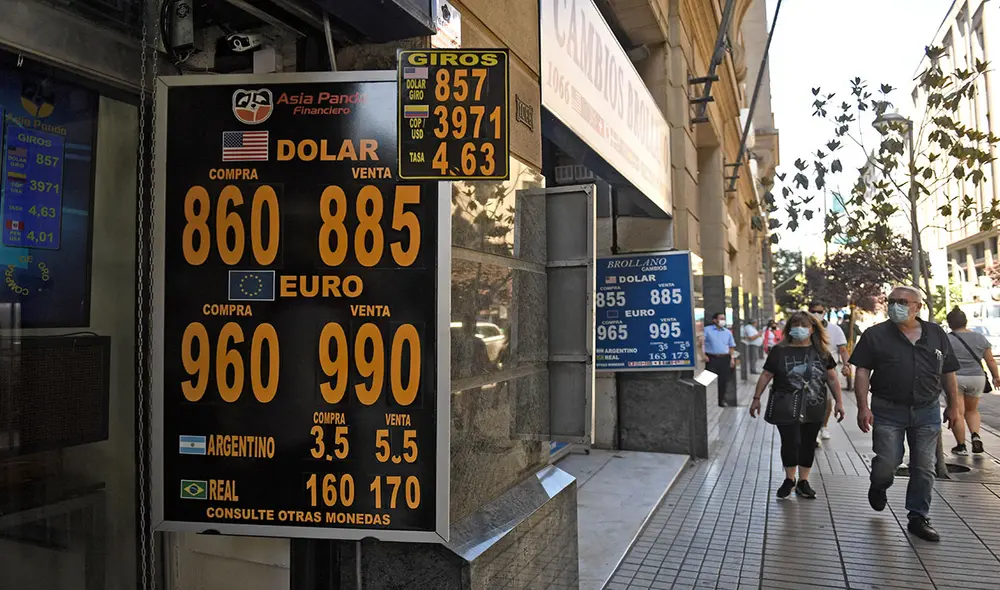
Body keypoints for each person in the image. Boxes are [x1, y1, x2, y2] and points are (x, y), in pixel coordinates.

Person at [851, 286, 960, 543]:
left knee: (924, 466)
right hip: (888, 409)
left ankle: (918, 516)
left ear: (918, 307)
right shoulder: (874, 335)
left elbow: (948, 372)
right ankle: (879, 485)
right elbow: (862, 372)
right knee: (888, 461)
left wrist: (955, 406)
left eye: (902, 301)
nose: (895, 306)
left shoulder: (936, 334)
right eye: (891, 301)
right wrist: (862, 407)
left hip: (927, 409)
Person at [750, 311, 845, 499]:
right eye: (795, 326)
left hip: (815, 405)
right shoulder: (779, 350)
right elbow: (766, 375)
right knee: (791, 442)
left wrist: (839, 402)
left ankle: (803, 481)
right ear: (789, 328)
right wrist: (756, 398)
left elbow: (832, 379)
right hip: (786, 404)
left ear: (812, 330)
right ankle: (789, 479)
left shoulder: (822, 352)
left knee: (808, 443)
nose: (799, 329)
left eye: (804, 326)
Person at [944, 307, 1000, 455]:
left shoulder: (946, 339)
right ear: (965, 322)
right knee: (972, 410)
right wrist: (996, 377)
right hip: (977, 378)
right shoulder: (980, 338)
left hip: (954, 378)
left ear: (949, 323)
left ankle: (961, 446)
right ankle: (975, 435)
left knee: (958, 412)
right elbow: (990, 360)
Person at [809, 301, 850, 441]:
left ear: (824, 312)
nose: (816, 314)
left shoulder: (835, 330)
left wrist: (847, 365)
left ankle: (824, 426)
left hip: (828, 368)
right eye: (813, 311)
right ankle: (811, 428)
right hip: (807, 369)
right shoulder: (805, 327)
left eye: (819, 312)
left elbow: (843, 349)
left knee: (827, 399)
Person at [703, 312, 737, 407]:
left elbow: (731, 346)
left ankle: (721, 400)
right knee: (705, 379)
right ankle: (702, 399)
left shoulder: (727, 332)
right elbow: (701, 343)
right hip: (711, 358)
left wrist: (732, 359)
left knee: (723, 380)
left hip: (725, 358)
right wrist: (703, 355)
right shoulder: (707, 330)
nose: (723, 321)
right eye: (721, 318)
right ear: (714, 320)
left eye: (724, 319)